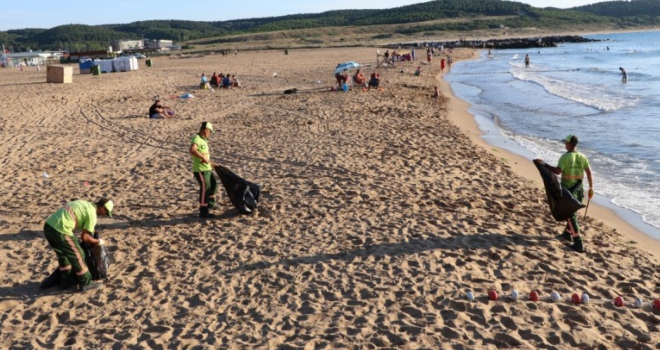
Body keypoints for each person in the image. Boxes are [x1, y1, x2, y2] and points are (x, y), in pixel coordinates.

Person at [535, 135, 593, 253]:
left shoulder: (565, 157)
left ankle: (578, 243)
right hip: (579, 190)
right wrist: (591, 188)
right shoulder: (583, 157)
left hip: (568, 191)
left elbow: (557, 171)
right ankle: (567, 235)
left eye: (566, 143)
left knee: (570, 215)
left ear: (570, 145)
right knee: (572, 213)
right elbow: (589, 173)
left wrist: (543, 164)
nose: (564, 144)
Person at [43, 198, 113, 292]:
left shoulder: (85, 204)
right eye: (105, 212)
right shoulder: (92, 214)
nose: (104, 215)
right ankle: (86, 282)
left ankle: (67, 282)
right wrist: (98, 242)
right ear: (102, 208)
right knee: (79, 254)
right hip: (61, 230)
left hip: (48, 227)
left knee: (64, 255)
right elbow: (85, 237)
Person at [189, 122, 218, 218]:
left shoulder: (204, 140)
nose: (210, 133)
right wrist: (203, 158)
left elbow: (205, 154)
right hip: (200, 170)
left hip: (207, 168)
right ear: (205, 129)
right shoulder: (196, 138)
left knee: (213, 184)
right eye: (210, 131)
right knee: (205, 188)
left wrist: (211, 163)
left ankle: (210, 203)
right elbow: (192, 150)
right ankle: (203, 210)